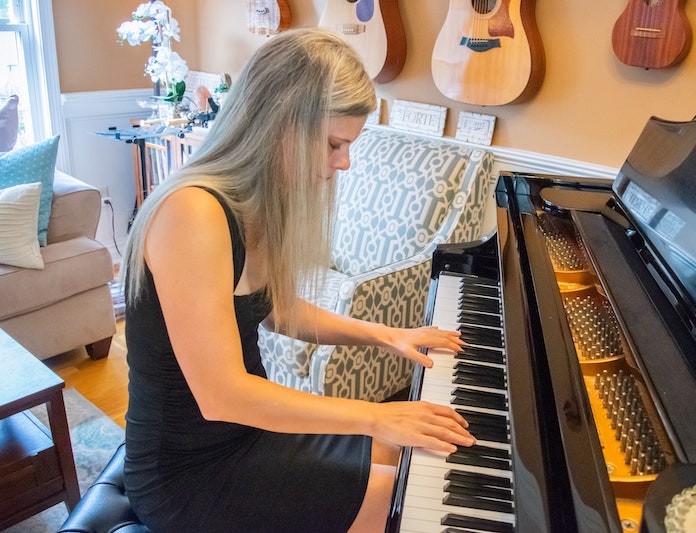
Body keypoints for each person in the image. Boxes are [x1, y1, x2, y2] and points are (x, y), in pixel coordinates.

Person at [121, 27, 476, 533]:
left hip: (245, 434)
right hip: (187, 473)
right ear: (280, 123)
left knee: (412, 457)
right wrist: (375, 415)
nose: (344, 163)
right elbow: (222, 395)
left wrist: (388, 336)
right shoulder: (192, 213)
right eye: (333, 144)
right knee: (387, 491)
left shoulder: (256, 202)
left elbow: (277, 309)